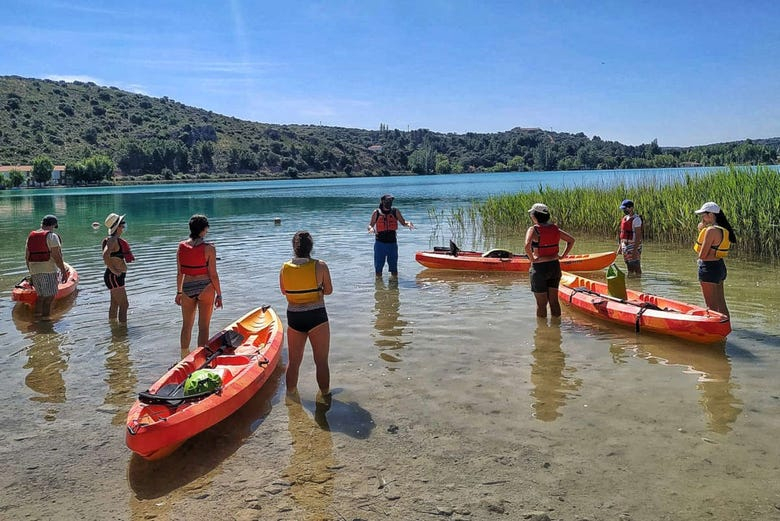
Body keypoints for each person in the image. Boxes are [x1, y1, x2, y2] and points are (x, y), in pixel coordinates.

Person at [279, 231, 333, 402]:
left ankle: (291, 397)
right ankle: (325, 396)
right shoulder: (321, 266)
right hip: (317, 315)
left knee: (294, 361)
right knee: (321, 361)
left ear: (294, 248)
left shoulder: (284, 268)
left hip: (294, 317)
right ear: (311, 247)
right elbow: (329, 290)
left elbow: (284, 291)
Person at [175, 214, 223, 352]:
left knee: (186, 326)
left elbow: (179, 273)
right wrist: (219, 295)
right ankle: (200, 358)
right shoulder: (209, 248)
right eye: (206, 228)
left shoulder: (181, 247)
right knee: (203, 327)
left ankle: (184, 357)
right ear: (203, 229)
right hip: (205, 287)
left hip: (187, 287)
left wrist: (178, 292)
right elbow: (213, 274)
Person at [524, 203, 575, 318]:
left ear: (535, 216)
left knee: (541, 305)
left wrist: (532, 259)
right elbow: (571, 240)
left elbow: (527, 246)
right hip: (554, 267)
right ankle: (556, 329)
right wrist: (562, 256)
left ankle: (543, 333)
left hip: (539, 269)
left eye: (531, 214)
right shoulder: (555, 229)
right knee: (554, 302)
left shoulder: (533, 230)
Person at [694, 202, 736, 317]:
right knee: (721, 304)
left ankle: (713, 333)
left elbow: (702, 255)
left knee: (710, 307)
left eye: (704, 214)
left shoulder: (710, 231)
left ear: (711, 214)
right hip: (720, 267)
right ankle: (726, 330)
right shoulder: (723, 229)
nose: (702, 217)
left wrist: (702, 231)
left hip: (708, 269)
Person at [25, 214, 69, 320]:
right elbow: (57, 256)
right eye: (54, 226)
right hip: (48, 270)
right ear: (53, 225)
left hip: (34, 270)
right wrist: (63, 271)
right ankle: (45, 321)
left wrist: (31, 271)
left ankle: (37, 317)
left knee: (40, 296)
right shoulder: (52, 236)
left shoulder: (31, 236)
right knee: (49, 297)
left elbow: (26, 256)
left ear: (42, 224)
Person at [367, 194, 414, 278]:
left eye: (391, 201)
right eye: (387, 201)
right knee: (378, 269)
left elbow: (403, 223)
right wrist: (371, 229)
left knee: (394, 269)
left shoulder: (395, 211)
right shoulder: (376, 213)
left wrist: (409, 223)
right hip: (380, 244)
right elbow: (370, 225)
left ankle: (394, 287)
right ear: (382, 201)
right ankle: (379, 285)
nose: (389, 203)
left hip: (392, 243)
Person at [102, 212, 134, 322]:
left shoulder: (114, 239)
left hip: (116, 276)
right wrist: (114, 271)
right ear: (118, 227)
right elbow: (105, 255)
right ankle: (123, 332)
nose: (124, 226)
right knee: (124, 305)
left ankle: (114, 329)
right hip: (114, 276)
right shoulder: (112, 240)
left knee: (115, 304)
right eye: (122, 224)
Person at [617, 199, 643, 275]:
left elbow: (638, 235)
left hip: (633, 245)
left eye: (625, 208)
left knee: (636, 265)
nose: (624, 210)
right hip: (625, 245)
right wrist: (620, 247)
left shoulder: (636, 219)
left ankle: (638, 283)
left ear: (631, 208)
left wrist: (635, 250)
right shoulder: (625, 218)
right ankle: (631, 281)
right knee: (629, 265)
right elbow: (622, 234)